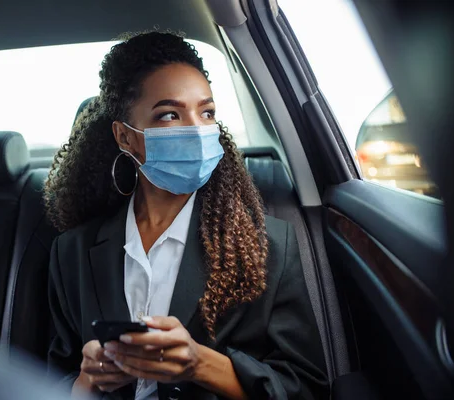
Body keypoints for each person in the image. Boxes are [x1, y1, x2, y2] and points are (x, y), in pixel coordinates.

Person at [44, 31, 328, 399]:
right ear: (126, 138)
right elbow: (50, 379)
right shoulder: (72, 252)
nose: (197, 129)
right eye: (169, 114)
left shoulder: (267, 245)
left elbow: (306, 388)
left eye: (207, 112)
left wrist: (201, 365)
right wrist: (87, 382)